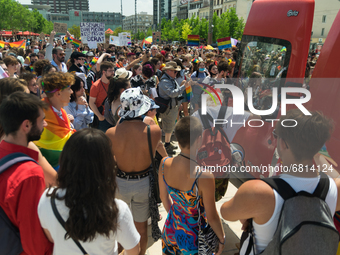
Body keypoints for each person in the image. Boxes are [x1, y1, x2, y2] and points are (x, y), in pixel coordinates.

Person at [220, 109, 340, 254]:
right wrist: (317, 154)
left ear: (283, 143)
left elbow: (226, 213)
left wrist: (249, 212)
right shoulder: (334, 188)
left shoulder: (257, 191)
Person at [38, 128, 140, 255]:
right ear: (106, 166)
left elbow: (51, 236)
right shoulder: (117, 209)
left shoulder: (47, 200)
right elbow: (133, 250)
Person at [106, 87, 162, 255]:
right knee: (141, 229)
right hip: (143, 183)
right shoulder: (154, 131)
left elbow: (112, 160)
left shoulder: (110, 133)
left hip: (119, 183)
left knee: (118, 228)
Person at [160, 116, 225, 255]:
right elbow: (212, 217)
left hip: (171, 230)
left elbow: (164, 198)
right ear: (199, 139)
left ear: (176, 137)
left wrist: (178, 216)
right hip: (194, 239)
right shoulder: (204, 176)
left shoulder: (164, 164)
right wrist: (222, 239)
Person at [0, 92, 53, 254]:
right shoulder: (30, 174)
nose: (45, 124)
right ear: (26, 125)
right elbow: (33, 241)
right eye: (41, 120)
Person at [35, 72, 76, 170]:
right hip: (48, 170)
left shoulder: (60, 110)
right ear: (58, 93)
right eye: (69, 89)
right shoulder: (40, 115)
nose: (71, 92)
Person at [158, 61, 191, 154]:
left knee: (170, 126)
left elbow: (175, 92)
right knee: (168, 127)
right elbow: (172, 93)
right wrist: (184, 86)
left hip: (172, 107)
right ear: (168, 71)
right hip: (168, 108)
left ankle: (167, 143)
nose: (176, 73)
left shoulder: (170, 79)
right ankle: (167, 145)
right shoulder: (165, 81)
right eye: (175, 71)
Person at [89, 61, 115, 132]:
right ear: (104, 71)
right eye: (110, 71)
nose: (113, 73)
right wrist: (99, 116)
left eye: (113, 70)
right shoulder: (96, 86)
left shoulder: (114, 83)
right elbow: (91, 103)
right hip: (103, 119)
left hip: (113, 117)